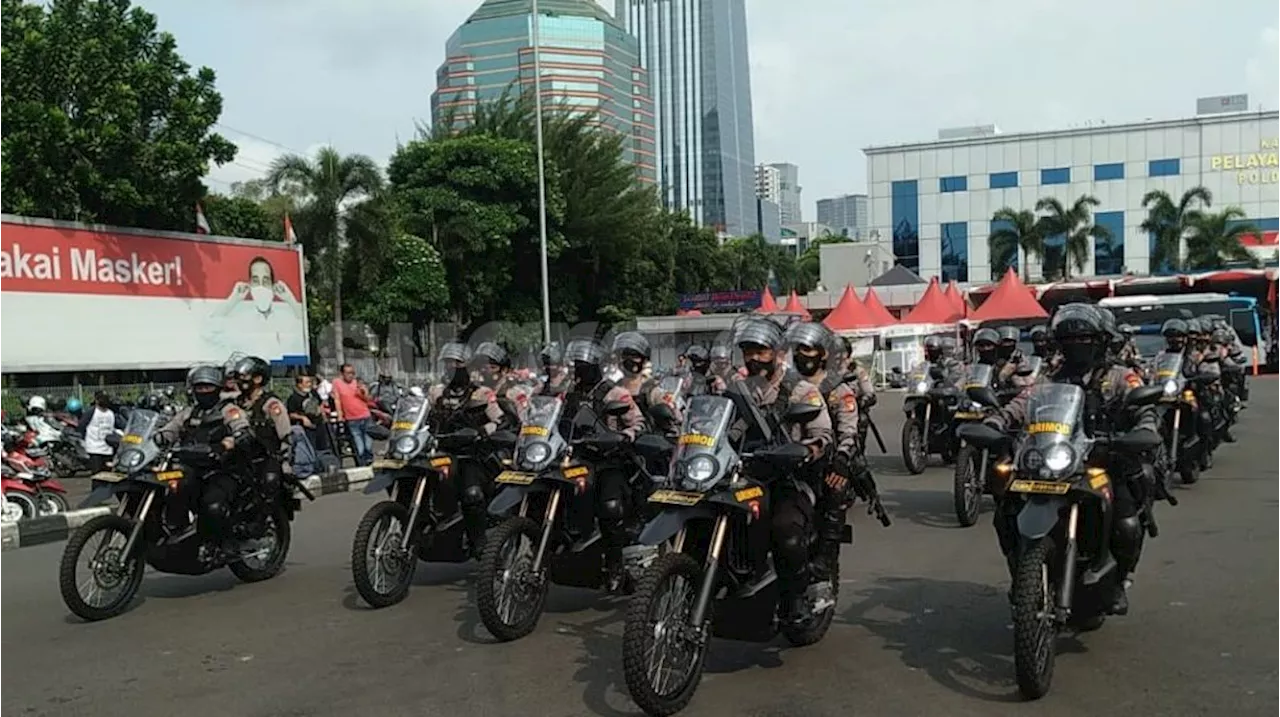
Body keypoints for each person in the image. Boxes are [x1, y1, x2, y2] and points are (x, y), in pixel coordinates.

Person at [985, 303, 1158, 615]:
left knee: (1127, 523)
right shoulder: (1051, 377)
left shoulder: (1122, 376)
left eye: (1084, 340)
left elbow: (1143, 407)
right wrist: (996, 422)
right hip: (1056, 460)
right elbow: (1022, 403)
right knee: (1006, 510)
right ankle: (1022, 572)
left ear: (1103, 341)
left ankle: (1120, 579)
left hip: (1104, 460)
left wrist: (1142, 428)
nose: (1076, 347)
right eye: (1069, 342)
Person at [729, 315, 832, 621]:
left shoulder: (800, 391)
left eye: (760, 351)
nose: (753, 358)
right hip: (748, 475)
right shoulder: (739, 388)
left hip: (790, 478)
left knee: (785, 532)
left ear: (775, 352)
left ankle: (796, 597)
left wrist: (805, 450)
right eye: (748, 351)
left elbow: (824, 435)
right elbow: (725, 427)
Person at [784, 321, 878, 591]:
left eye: (809, 350)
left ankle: (826, 557)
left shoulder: (838, 389)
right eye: (798, 349)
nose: (802, 355)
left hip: (827, 458)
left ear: (823, 353)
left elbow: (849, 432)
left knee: (834, 488)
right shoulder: (787, 385)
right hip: (788, 457)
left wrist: (841, 459)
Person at [562, 338, 645, 592]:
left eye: (583, 365)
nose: (578, 369)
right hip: (580, 459)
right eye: (576, 364)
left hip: (610, 460)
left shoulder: (615, 393)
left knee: (610, 507)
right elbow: (557, 421)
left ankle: (615, 564)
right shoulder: (572, 394)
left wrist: (624, 436)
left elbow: (638, 423)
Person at [155, 365, 255, 546]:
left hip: (223, 469)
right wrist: (156, 437)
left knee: (213, 505)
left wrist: (230, 442)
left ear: (217, 388)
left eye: (207, 387)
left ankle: (226, 545)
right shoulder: (189, 412)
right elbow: (170, 429)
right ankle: (177, 533)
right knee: (171, 491)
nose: (203, 391)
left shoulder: (229, 410)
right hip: (192, 468)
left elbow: (242, 429)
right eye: (199, 387)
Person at [427, 342, 509, 558]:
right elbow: (422, 417)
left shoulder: (482, 394)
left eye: (457, 363)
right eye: (447, 363)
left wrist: (483, 430)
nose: (451, 367)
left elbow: (501, 420)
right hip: (441, 451)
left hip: (471, 455)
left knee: (472, 494)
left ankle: (479, 542)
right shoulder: (436, 392)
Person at [208, 256, 306, 359]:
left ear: (273, 286)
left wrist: (291, 300)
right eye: (255, 281)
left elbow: (303, 335)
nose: (261, 286)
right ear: (249, 285)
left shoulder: (285, 317)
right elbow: (208, 333)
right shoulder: (240, 320)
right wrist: (232, 300)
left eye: (266, 281)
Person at [230, 356, 293, 500]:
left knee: (270, 483)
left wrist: (285, 463)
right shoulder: (235, 404)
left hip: (266, 458)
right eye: (238, 377)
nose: (240, 380)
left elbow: (286, 436)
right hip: (241, 458)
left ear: (258, 379)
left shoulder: (271, 405)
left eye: (244, 376)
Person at [473, 341, 530, 423]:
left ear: (504, 370)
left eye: (492, 367)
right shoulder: (475, 392)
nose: (485, 371)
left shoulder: (514, 393)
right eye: (482, 367)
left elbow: (525, 421)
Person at [332, 363, 375, 467]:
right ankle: (362, 462)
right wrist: (340, 415)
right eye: (348, 373)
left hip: (365, 415)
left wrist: (363, 392)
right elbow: (337, 399)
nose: (351, 375)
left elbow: (368, 399)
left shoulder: (357, 383)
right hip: (352, 418)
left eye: (352, 373)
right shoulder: (337, 383)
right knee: (358, 444)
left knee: (368, 442)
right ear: (342, 374)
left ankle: (369, 460)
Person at [79, 392, 125, 477]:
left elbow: (119, 426)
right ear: (96, 401)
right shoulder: (91, 412)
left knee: (107, 476)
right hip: (94, 449)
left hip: (107, 449)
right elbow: (82, 425)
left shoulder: (111, 413)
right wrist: (85, 439)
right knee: (97, 475)